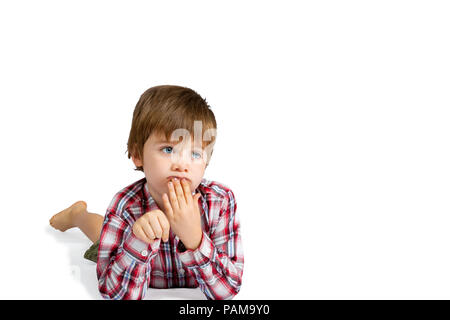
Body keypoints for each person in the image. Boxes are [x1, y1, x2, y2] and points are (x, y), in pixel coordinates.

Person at [49, 85, 244, 300]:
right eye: (168, 149)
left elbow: (228, 291)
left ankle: (80, 214)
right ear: (137, 154)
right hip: (129, 258)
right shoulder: (125, 205)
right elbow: (114, 294)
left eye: (195, 153)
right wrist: (139, 240)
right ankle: (79, 215)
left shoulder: (220, 201)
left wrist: (194, 239)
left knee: (103, 229)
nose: (182, 164)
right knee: (99, 234)